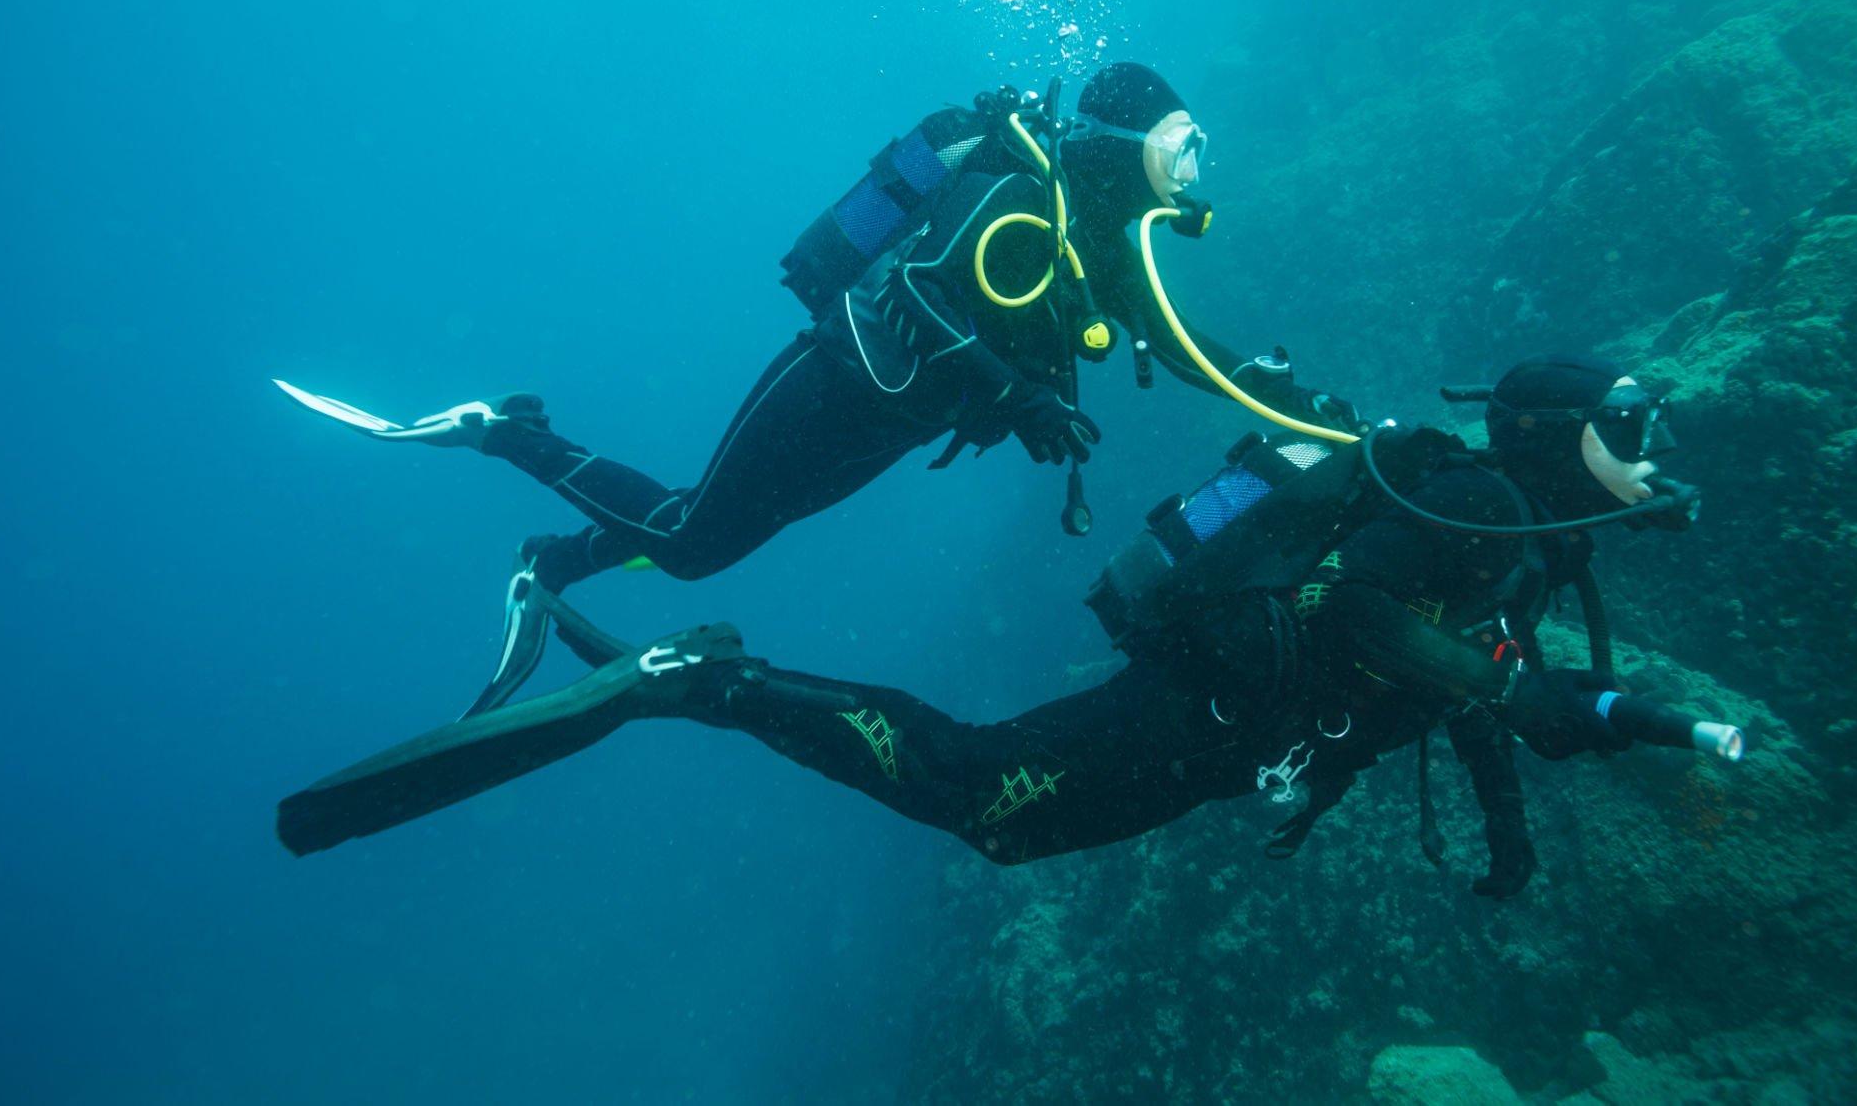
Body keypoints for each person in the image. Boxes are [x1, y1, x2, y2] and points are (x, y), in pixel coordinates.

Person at [279, 354, 1739, 893]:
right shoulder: (1482, 494)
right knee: (979, 794)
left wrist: (1511, 843)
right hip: (1206, 714)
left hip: (1236, 740)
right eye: (1631, 417)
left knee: (995, 815)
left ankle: (701, 667)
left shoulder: (1521, 544)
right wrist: (1545, 712)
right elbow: (1378, 615)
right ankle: (701, 676)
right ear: (1558, 433)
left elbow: (1482, 692)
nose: (1649, 438)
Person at [277, 63, 1353, 717]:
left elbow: (1185, 346)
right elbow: (925, 302)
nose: (1196, 167)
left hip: (888, 422)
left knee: (713, 543)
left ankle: (555, 561)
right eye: (1183, 146)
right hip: (835, 380)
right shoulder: (1021, 198)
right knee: (697, 536)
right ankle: (505, 434)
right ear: (1129, 143)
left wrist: (1292, 409)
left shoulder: (1101, 242)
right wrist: (1015, 397)